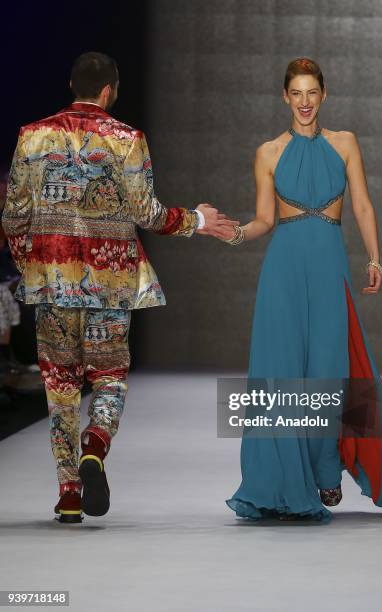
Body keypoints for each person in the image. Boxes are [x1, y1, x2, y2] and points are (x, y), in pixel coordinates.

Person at [2, 51, 237, 524]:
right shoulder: (127, 139)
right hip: (110, 282)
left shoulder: (32, 136)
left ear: (73, 84)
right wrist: (196, 219)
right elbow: (147, 214)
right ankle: (96, 445)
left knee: (60, 387)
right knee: (108, 379)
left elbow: (12, 217)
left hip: (52, 285)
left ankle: (69, 494)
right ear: (109, 91)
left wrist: (34, 263)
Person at [224, 58, 382, 521]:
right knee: (283, 373)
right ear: (285, 98)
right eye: (296, 94)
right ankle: (281, 483)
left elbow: (364, 206)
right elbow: (265, 220)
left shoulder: (345, 143)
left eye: (312, 93)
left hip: (329, 265)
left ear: (324, 95)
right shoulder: (268, 152)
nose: (305, 102)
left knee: (328, 373)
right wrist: (234, 233)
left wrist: (374, 257)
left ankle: (325, 471)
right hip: (284, 269)